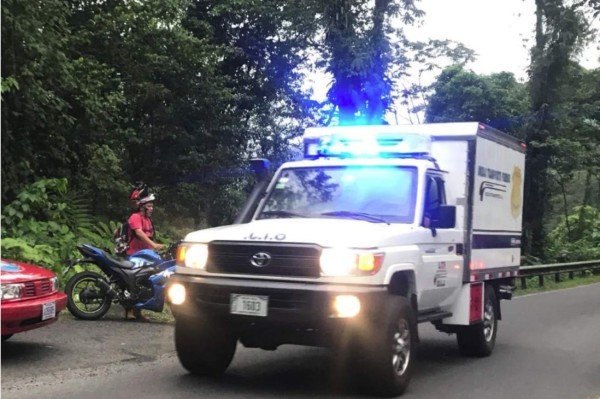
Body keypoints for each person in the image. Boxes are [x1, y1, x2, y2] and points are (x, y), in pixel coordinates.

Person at [125, 191, 164, 321]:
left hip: (145, 256)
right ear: (142, 207)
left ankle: (138, 311)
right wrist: (154, 245)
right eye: (149, 206)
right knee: (132, 282)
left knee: (144, 283)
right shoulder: (135, 217)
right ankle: (129, 311)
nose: (152, 209)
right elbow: (139, 233)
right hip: (133, 255)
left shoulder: (148, 220)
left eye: (152, 206)